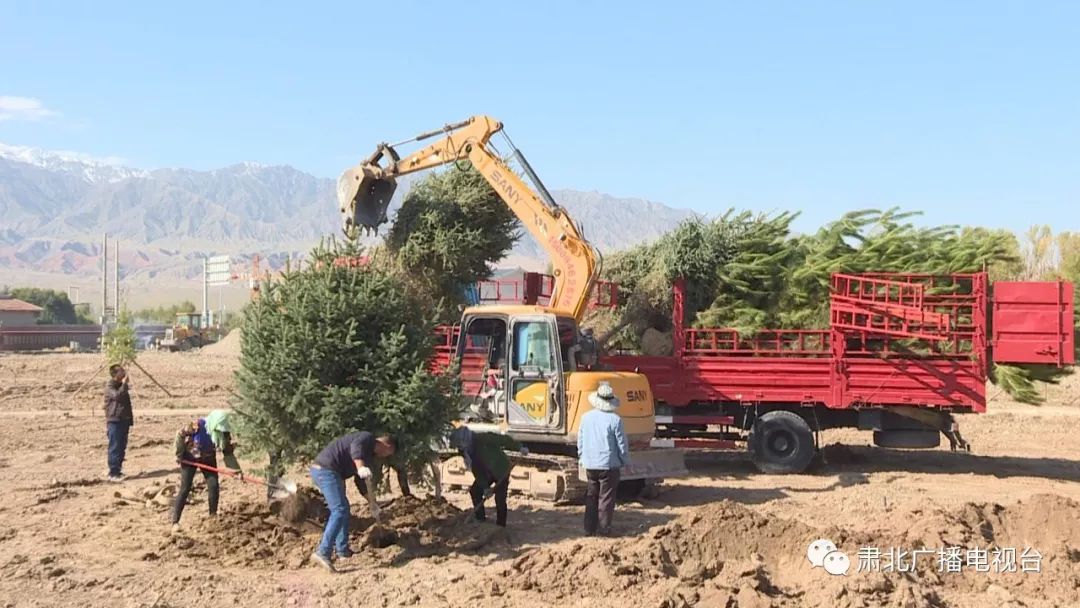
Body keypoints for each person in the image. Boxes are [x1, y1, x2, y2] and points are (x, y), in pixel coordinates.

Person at [309, 431, 397, 572]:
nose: (386, 457)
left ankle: (342, 551)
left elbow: (360, 482)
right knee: (339, 509)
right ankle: (322, 552)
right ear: (387, 446)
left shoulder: (368, 456)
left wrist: (372, 503)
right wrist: (360, 466)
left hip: (333, 473)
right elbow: (356, 447)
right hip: (325, 470)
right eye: (389, 453)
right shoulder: (367, 438)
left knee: (344, 509)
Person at [577, 381, 630, 536]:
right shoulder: (615, 420)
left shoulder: (585, 418)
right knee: (606, 498)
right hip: (608, 465)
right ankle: (604, 528)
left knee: (591, 496)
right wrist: (625, 461)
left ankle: (589, 528)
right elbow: (621, 444)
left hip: (590, 464)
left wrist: (582, 457)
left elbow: (580, 440)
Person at [448, 427, 525, 528]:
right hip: (486, 473)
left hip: (501, 469)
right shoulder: (467, 452)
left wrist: (519, 447)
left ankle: (501, 526)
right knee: (475, 491)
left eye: (459, 445)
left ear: (465, 441)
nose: (459, 448)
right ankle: (480, 519)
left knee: (500, 499)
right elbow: (476, 470)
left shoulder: (484, 438)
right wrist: (485, 488)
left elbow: (504, 440)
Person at [172, 412, 234, 533]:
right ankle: (175, 522)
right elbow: (179, 435)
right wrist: (178, 454)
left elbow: (227, 451)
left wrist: (236, 470)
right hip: (190, 458)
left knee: (213, 485)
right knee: (185, 488)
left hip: (208, 457)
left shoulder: (224, 432)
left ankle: (212, 517)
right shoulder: (197, 426)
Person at [103, 364, 134, 482]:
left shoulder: (121, 385)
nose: (124, 372)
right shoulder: (109, 386)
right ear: (115, 374)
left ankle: (118, 470)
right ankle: (113, 473)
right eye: (121, 371)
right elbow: (117, 396)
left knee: (122, 446)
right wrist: (125, 384)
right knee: (115, 446)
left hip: (123, 420)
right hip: (115, 420)